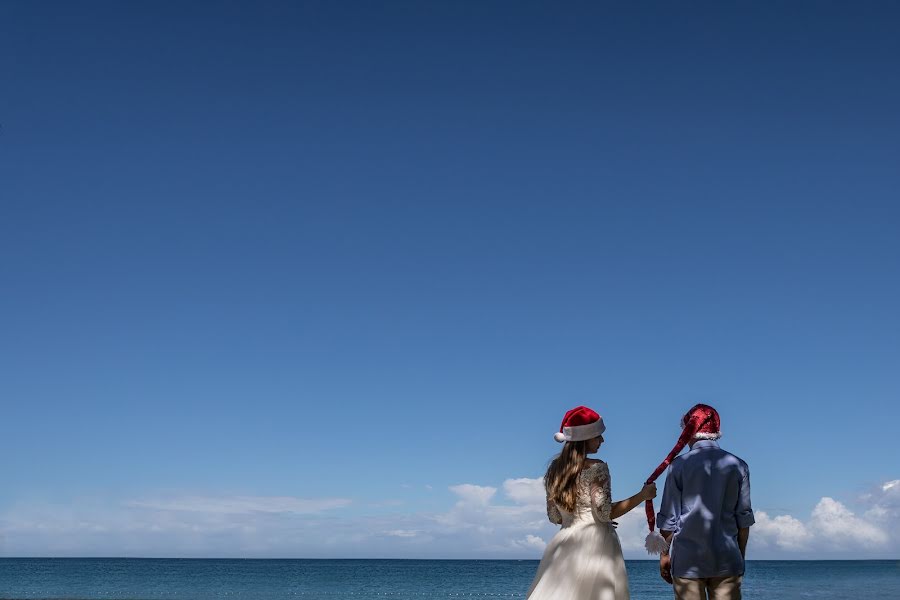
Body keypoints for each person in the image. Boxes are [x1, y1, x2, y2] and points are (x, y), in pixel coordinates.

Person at [527, 406, 657, 600]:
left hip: (564, 542)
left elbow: (554, 516)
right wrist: (642, 495)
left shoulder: (554, 470)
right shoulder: (597, 467)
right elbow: (605, 513)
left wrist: (582, 517)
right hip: (595, 543)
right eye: (598, 436)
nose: (602, 441)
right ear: (585, 438)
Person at [647, 404, 754, 600]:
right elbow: (743, 520)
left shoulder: (678, 465)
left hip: (688, 560)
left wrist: (664, 555)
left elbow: (670, 517)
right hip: (727, 559)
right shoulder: (739, 465)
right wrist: (740, 556)